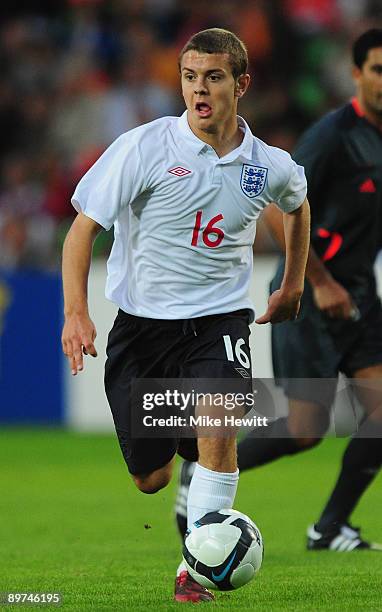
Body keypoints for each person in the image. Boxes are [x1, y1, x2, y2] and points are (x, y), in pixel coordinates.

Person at [61, 28, 310, 603]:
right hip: (143, 331)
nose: (199, 90)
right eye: (190, 77)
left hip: (221, 321)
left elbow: (297, 202)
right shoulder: (143, 148)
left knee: (220, 430)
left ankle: (194, 569)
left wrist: (293, 280)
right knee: (150, 479)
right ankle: (187, 454)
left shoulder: (266, 164)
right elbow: (80, 233)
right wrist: (77, 314)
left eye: (214, 77)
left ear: (241, 84)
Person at [176, 29, 382, 553]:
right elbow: (276, 202)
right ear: (356, 74)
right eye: (378, 69)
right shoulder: (334, 136)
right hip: (311, 292)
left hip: (360, 292)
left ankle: (330, 526)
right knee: (306, 429)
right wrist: (318, 281)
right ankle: (203, 467)